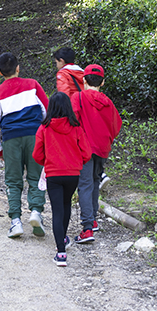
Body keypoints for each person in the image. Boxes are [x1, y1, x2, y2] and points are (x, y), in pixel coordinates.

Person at [0, 52, 48, 239]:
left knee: (13, 180)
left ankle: (16, 221)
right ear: (18, 68)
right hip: (34, 135)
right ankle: (36, 212)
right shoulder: (33, 85)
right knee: (36, 177)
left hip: (11, 139)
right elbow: (46, 110)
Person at [32, 92, 93, 265]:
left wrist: (47, 161)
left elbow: (37, 154)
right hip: (72, 174)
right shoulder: (76, 127)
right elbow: (86, 153)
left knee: (57, 210)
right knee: (66, 205)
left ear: (50, 107)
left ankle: (61, 252)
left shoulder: (44, 128)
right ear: (68, 107)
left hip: (54, 174)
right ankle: (63, 239)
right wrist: (77, 162)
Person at [74, 64, 123, 243]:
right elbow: (116, 125)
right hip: (102, 149)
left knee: (85, 184)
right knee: (95, 182)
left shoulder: (78, 97)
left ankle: (87, 229)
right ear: (102, 82)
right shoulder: (108, 102)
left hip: (84, 148)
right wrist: (106, 141)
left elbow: (72, 121)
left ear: (83, 80)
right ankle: (92, 220)